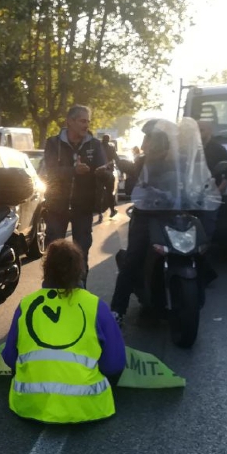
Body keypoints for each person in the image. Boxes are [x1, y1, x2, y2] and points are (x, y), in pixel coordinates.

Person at [2, 238, 125, 424]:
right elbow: (115, 364)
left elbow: (9, 357)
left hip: (28, 406)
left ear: (46, 270)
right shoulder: (95, 306)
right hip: (88, 408)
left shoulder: (27, 305)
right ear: (80, 270)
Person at [108, 120, 175, 326]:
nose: (147, 142)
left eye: (150, 137)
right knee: (132, 260)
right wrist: (115, 157)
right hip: (145, 216)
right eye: (147, 138)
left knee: (191, 252)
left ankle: (180, 302)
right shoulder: (143, 161)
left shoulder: (178, 161)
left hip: (171, 216)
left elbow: (190, 184)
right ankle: (117, 311)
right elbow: (133, 174)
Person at [41, 105, 108, 284]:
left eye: (88, 121)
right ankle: (50, 292)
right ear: (69, 121)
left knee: (81, 254)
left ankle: (80, 295)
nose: (86, 125)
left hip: (83, 208)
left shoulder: (95, 144)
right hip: (56, 207)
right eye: (82, 121)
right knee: (53, 254)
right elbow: (51, 171)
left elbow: (102, 168)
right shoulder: (53, 143)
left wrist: (104, 171)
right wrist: (73, 171)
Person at [99, 134, 119, 222]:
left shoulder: (98, 147)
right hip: (108, 172)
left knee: (98, 193)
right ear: (109, 140)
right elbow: (117, 158)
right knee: (109, 192)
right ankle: (112, 210)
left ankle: (99, 213)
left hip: (98, 172)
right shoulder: (111, 148)